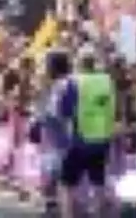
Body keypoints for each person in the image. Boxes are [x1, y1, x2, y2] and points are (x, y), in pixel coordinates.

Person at [56, 46, 116, 218]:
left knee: (66, 184)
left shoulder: (75, 82)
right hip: (102, 138)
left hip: (80, 139)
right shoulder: (107, 81)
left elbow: (64, 111)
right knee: (98, 182)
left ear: (79, 63)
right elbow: (112, 107)